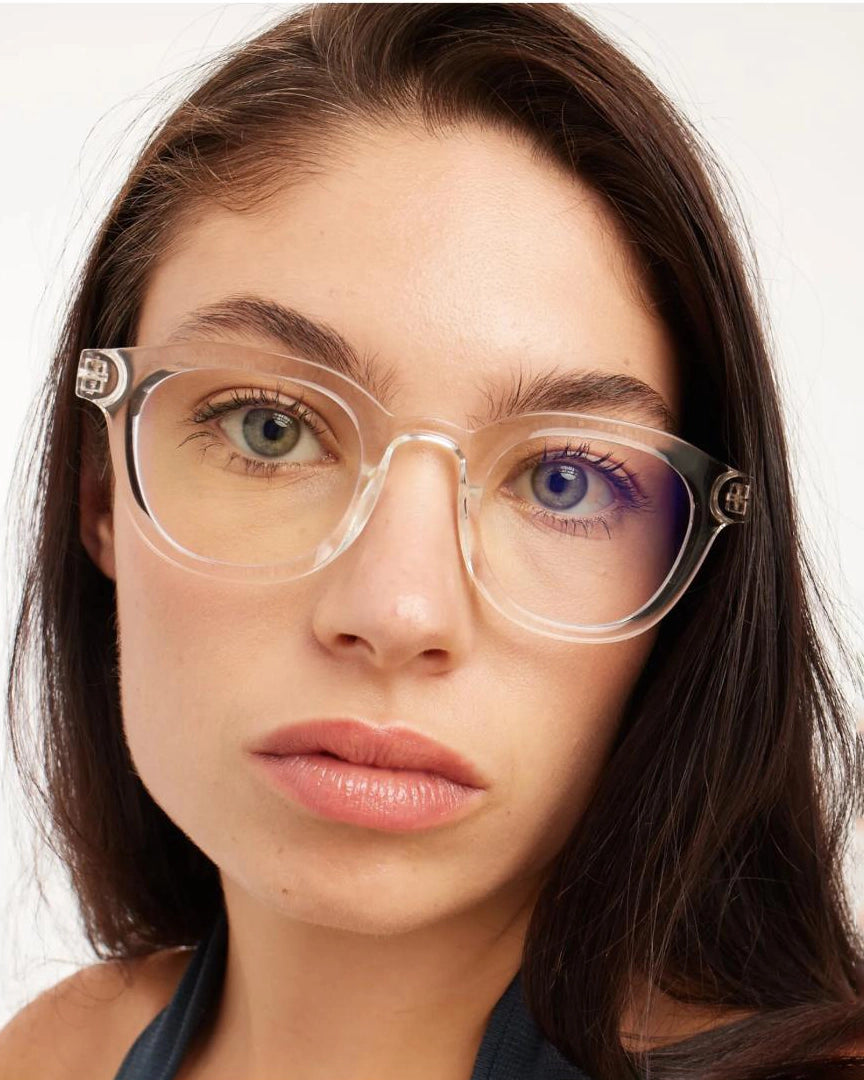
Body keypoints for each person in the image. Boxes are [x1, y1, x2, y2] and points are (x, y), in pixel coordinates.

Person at [1, 4, 862, 1079]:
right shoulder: (57, 1054)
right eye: (271, 429)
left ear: (697, 576)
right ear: (100, 490)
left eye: (563, 479)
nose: (398, 612)